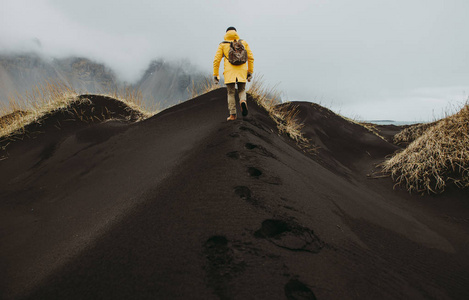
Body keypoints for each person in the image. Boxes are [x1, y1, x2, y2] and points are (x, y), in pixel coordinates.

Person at [213, 27, 254, 121]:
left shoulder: (223, 45)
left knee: (231, 93)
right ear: (236, 32)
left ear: (226, 33)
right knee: (242, 90)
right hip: (242, 72)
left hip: (229, 73)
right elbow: (251, 58)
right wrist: (250, 72)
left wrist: (216, 74)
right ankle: (243, 101)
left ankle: (233, 115)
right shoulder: (243, 43)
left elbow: (216, 60)